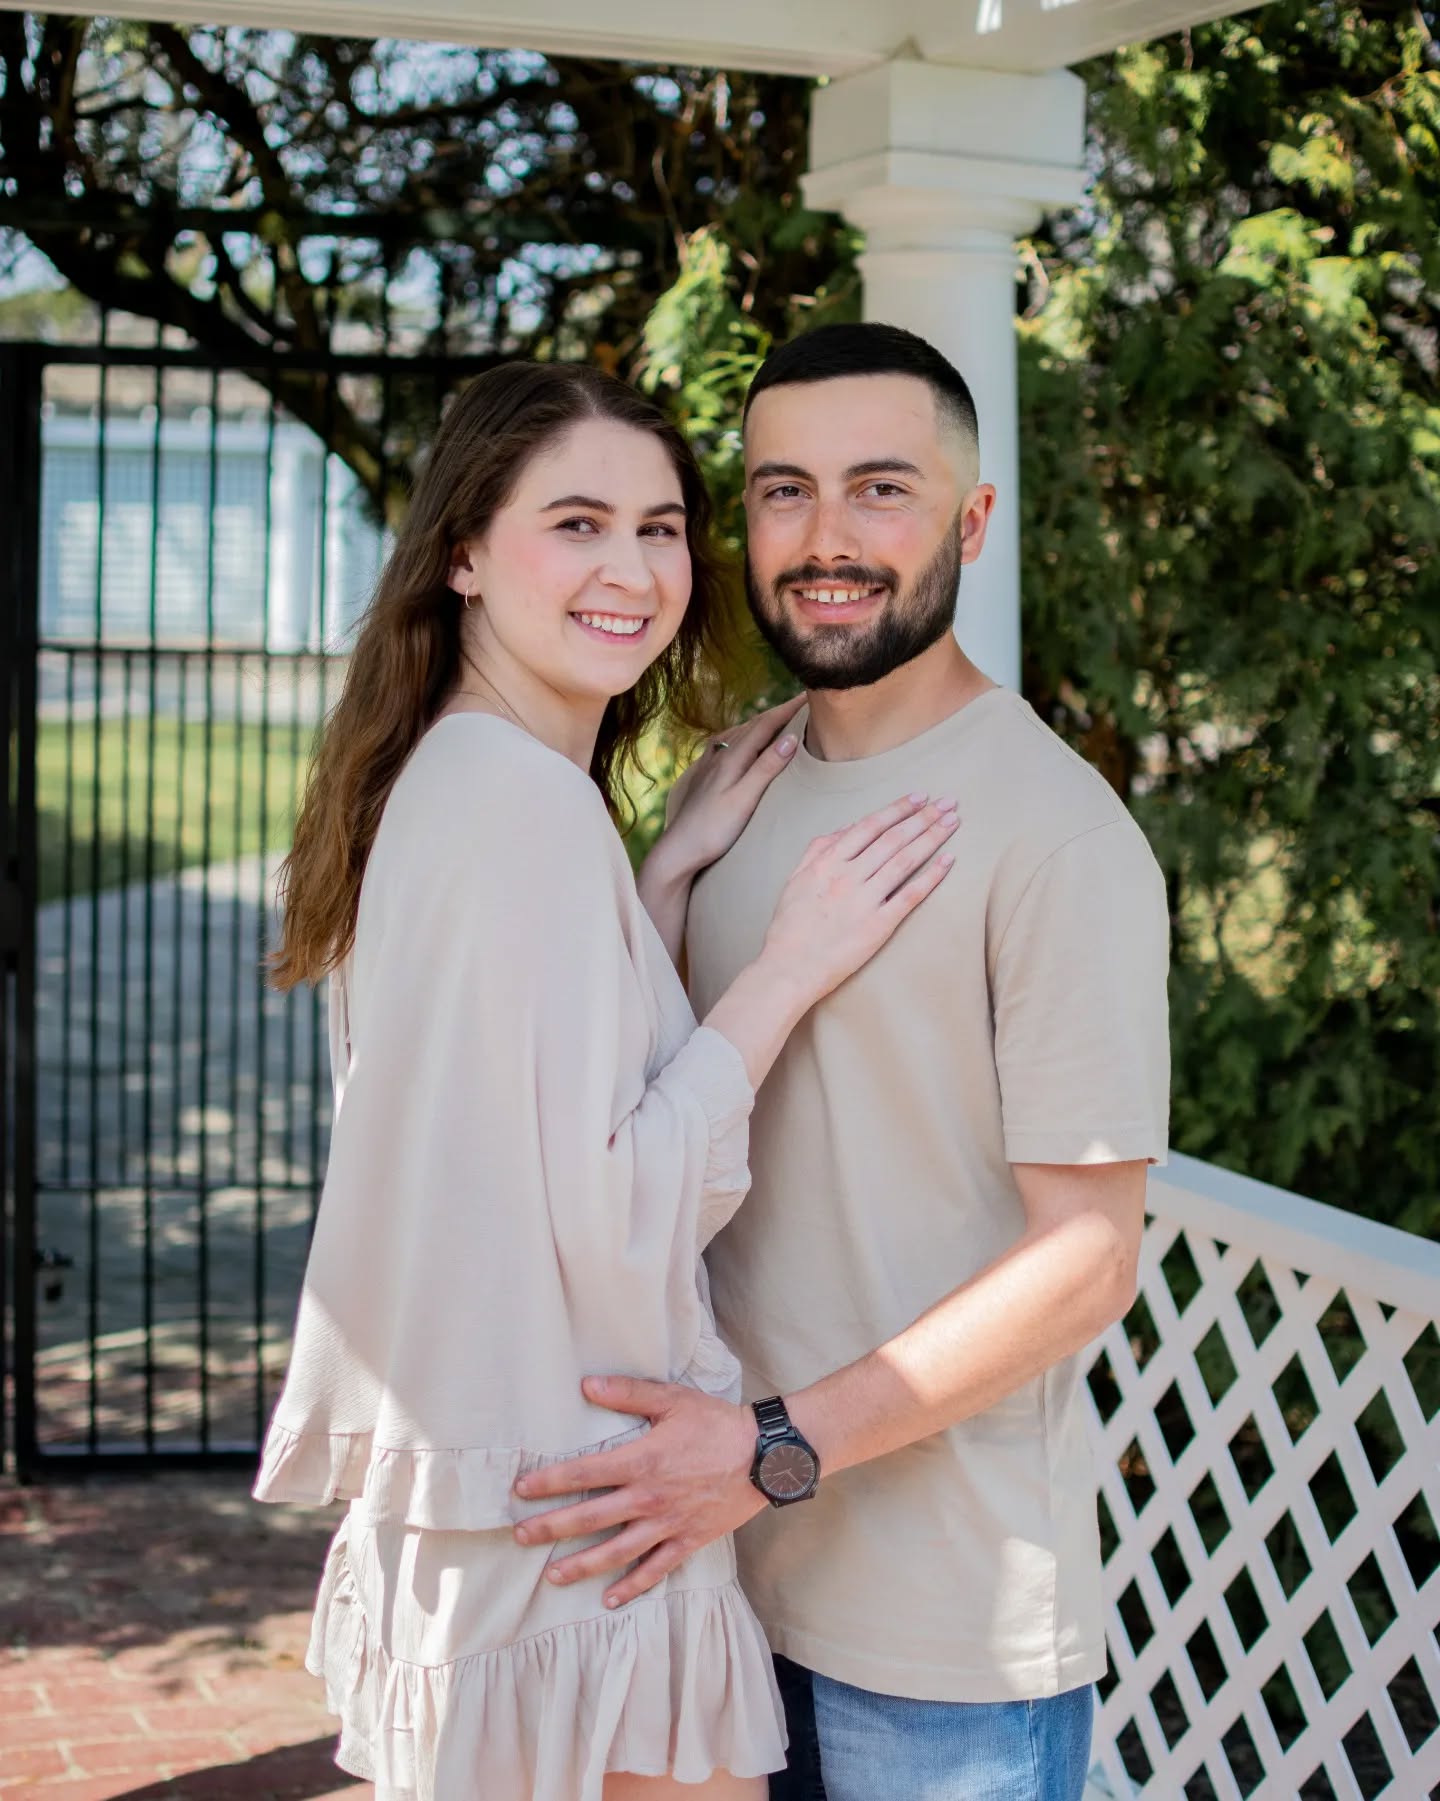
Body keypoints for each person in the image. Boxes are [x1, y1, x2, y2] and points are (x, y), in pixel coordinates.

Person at [253, 359, 960, 1801]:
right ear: (463, 549)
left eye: (657, 528)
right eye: (575, 523)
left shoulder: (459, 777)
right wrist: (787, 967)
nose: (633, 569)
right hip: (584, 1529)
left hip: (503, 1514)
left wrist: (657, 877)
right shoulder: (518, 806)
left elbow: (523, 1091)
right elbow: (619, 1197)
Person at [510, 324, 1172, 1801]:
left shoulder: (1056, 836)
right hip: (710, 1575)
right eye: (782, 489)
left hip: (937, 1644)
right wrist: (669, 879)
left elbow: (1088, 1259)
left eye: (881, 489)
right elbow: (648, 1114)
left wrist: (766, 1451)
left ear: (972, 520)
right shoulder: (732, 781)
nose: (824, 539)